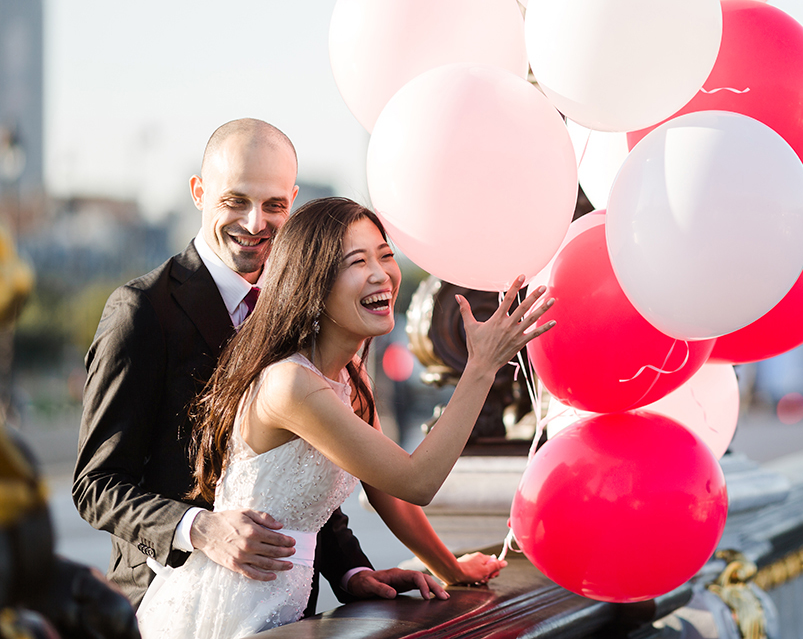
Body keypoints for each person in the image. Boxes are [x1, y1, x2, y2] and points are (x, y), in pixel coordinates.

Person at [73, 120, 455, 613]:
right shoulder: (141, 311)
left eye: (274, 205)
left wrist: (352, 571)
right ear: (198, 192)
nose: (255, 223)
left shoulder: (309, 308)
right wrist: (200, 530)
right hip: (168, 603)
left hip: (283, 609)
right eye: (235, 201)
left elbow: (300, 472)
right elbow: (95, 485)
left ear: (292, 203)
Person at [134, 197, 555, 638]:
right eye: (357, 261)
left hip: (283, 609)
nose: (381, 274)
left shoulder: (350, 378)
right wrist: (481, 367)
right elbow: (418, 481)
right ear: (313, 283)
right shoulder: (290, 385)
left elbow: (389, 492)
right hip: (229, 610)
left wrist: (451, 570)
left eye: (386, 255)